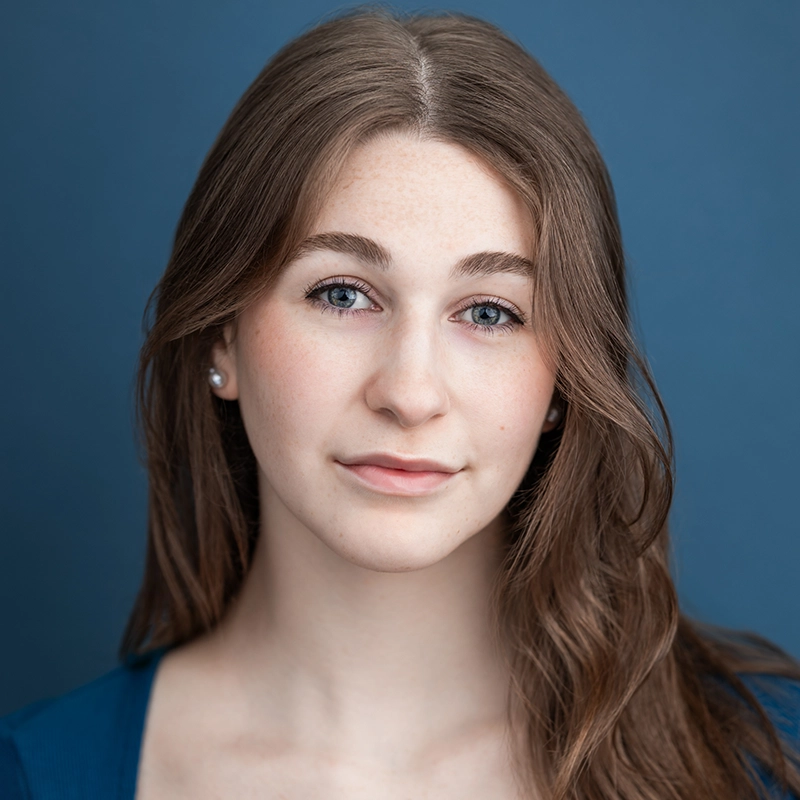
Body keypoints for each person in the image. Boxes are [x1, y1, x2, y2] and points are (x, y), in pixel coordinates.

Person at [2, 7, 798, 799]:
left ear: (565, 380)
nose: (410, 394)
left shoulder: (770, 762)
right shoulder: (37, 777)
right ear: (221, 340)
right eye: (343, 294)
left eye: (490, 312)